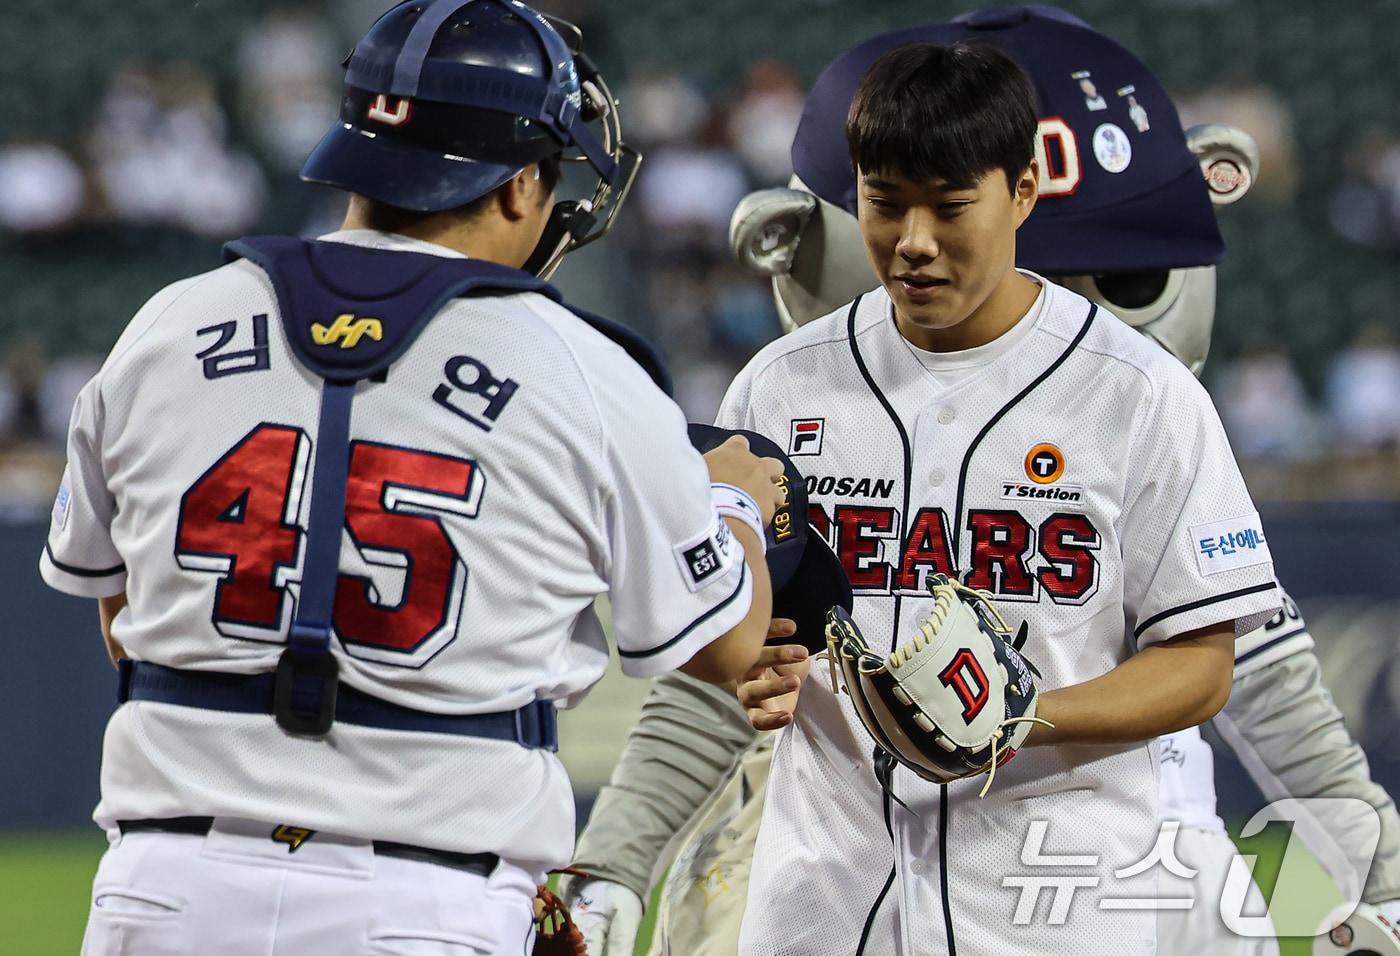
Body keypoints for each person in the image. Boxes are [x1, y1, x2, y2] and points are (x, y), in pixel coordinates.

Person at [566, 9, 1400, 956]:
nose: (914, 240)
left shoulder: (1140, 394)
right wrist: (630, 845)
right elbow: (730, 645)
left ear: (1023, 192)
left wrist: (1022, 718)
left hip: (1072, 899)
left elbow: (1232, 663)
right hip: (825, 905)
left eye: (950, 205)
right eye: (884, 203)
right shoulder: (779, 384)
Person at [38, 2, 785, 953]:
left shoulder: (170, 322)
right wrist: (734, 501)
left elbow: (123, 617)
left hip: (165, 889)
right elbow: (724, 650)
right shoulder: (586, 369)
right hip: (427, 898)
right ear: (521, 187)